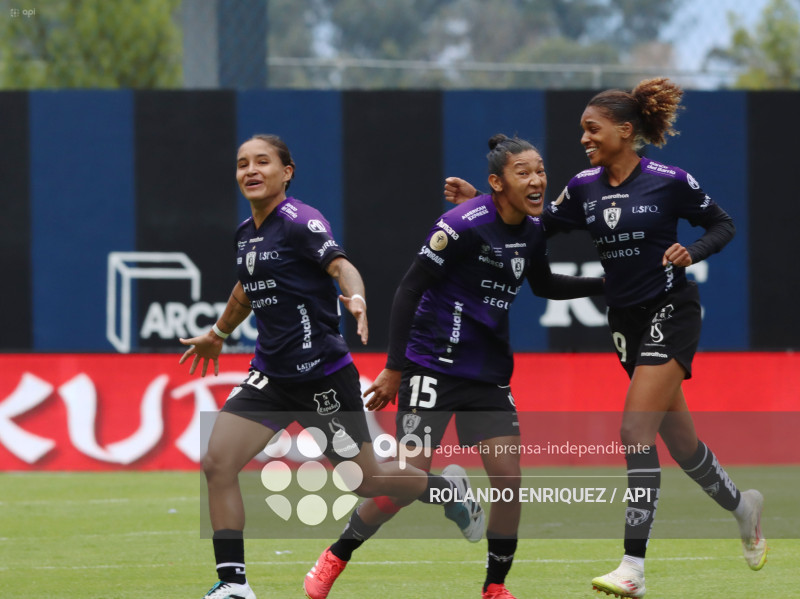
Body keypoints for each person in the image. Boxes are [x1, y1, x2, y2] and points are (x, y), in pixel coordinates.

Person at [444, 78, 767, 598]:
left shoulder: (669, 179)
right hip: (624, 322)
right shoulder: (584, 187)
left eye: (592, 129)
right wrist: (486, 199)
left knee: (635, 431)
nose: (584, 139)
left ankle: (632, 570)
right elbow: (535, 224)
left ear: (625, 130)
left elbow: (722, 224)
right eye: (582, 131)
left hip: (672, 310)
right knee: (682, 445)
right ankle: (742, 506)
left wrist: (694, 251)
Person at [179, 134, 483, 599]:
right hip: (271, 378)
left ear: (288, 172)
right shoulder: (246, 233)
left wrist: (356, 298)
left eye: (263, 162)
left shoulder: (301, 222)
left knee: (368, 480)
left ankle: (447, 491)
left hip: (321, 376)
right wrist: (218, 335)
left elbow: (341, 267)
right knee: (218, 462)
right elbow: (247, 288)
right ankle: (233, 585)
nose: (251, 171)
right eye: (243, 164)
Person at [303, 134, 605, 599]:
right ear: (496, 182)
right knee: (402, 483)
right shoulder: (461, 224)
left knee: (508, 482)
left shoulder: (534, 228)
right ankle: (336, 555)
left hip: (487, 374)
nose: (537, 180)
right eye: (523, 172)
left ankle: (494, 588)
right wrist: (394, 368)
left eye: (540, 170)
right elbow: (408, 290)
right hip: (431, 367)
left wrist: (602, 283)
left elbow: (542, 284)